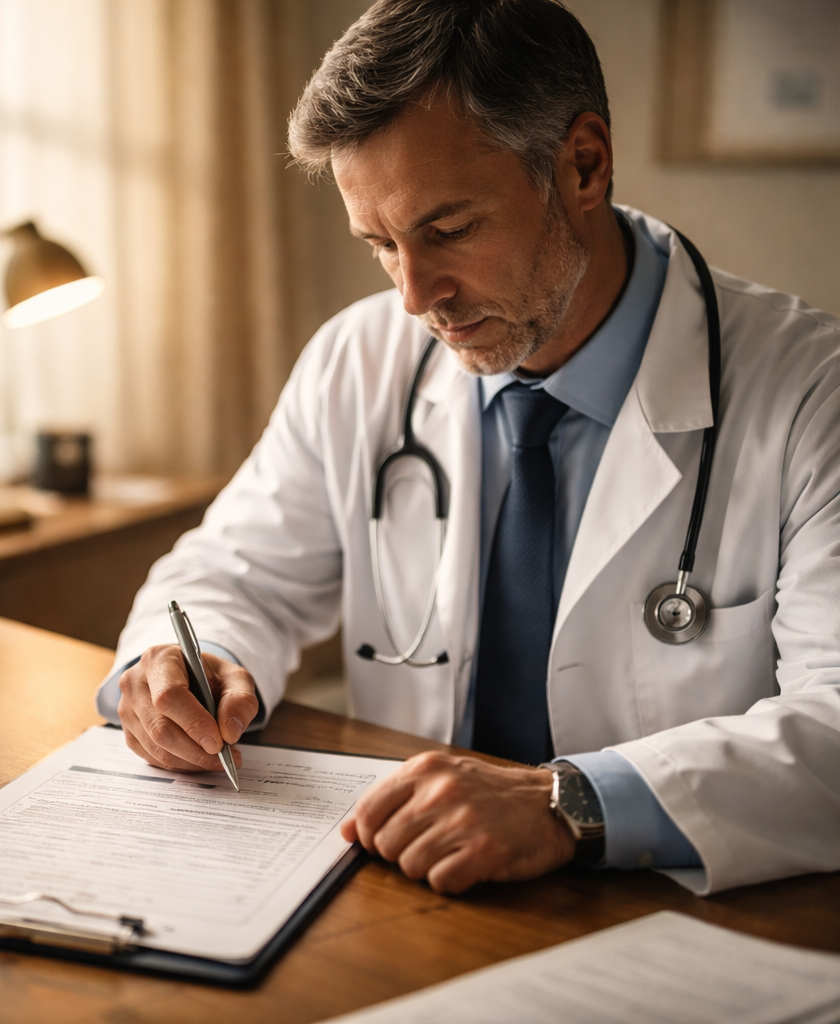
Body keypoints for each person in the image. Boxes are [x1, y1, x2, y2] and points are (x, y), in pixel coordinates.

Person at [97, 0, 840, 896]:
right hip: (412, 889)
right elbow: (238, 572)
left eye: (448, 231)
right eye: (380, 244)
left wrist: (570, 802)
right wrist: (183, 662)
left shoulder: (811, 392)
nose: (415, 297)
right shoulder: (360, 357)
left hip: (681, 905)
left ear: (583, 166)